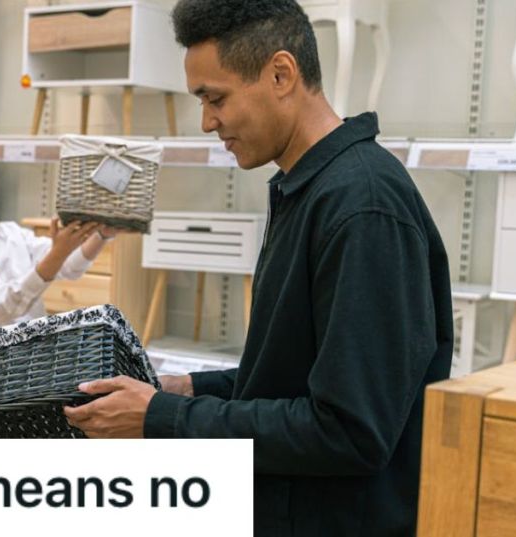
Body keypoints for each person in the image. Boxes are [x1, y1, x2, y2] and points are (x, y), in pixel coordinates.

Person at [63, 1, 454, 535]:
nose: (206, 122)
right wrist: (190, 390)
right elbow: (299, 374)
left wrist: (162, 418)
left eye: (215, 98)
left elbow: (350, 430)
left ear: (280, 74)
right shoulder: (310, 189)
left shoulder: (361, 206)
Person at [0, 145, 119, 376]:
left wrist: (103, 233)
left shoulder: (13, 235)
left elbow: (70, 266)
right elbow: (6, 305)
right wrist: (56, 254)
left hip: (36, 368)